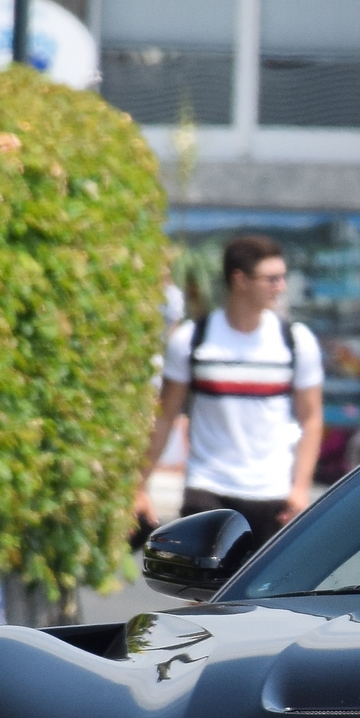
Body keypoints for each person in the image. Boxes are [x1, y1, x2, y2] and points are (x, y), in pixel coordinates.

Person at [137, 234, 324, 551]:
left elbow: (311, 418)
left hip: (272, 492)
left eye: (282, 278)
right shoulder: (192, 339)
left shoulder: (295, 341)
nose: (281, 286)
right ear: (240, 280)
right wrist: (139, 484)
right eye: (272, 279)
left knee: (262, 598)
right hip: (208, 486)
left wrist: (301, 488)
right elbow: (166, 414)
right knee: (202, 592)